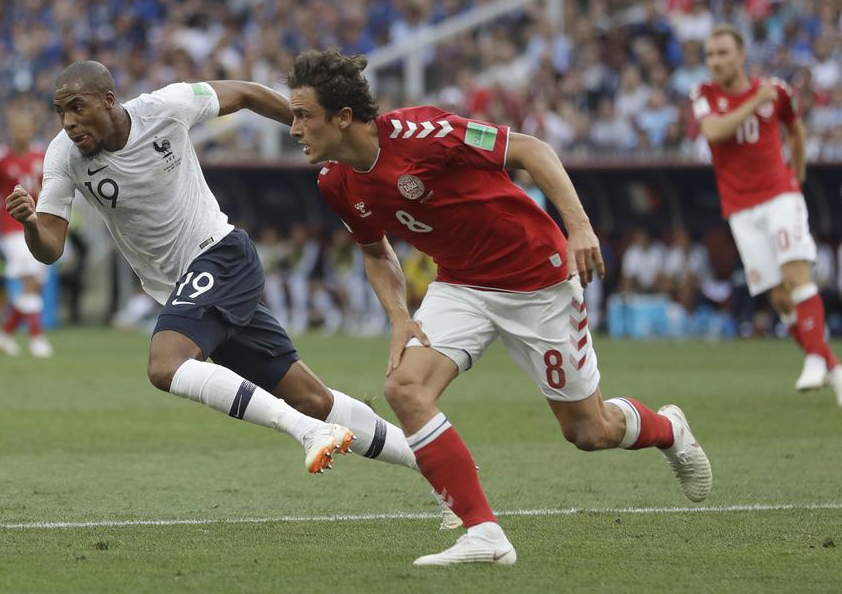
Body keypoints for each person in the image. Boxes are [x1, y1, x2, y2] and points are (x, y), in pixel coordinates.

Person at [283, 49, 711, 566]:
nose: (293, 128)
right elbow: (376, 253)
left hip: (537, 280)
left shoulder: (426, 133)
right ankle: (483, 533)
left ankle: (669, 429)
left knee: (588, 431)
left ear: (343, 117)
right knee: (404, 387)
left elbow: (532, 150)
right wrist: (400, 316)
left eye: (303, 115)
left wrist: (578, 226)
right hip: (461, 285)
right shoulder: (336, 183)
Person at [5, 61, 454, 492]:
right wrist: (30, 224)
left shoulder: (165, 106)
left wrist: (316, 134)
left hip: (220, 256)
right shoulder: (63, 156)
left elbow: (247, 94)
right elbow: (51, 248)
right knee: (315, 399)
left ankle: (306, 433)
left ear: (108, 100)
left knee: (165, 365)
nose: (68, 121)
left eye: (77, 107)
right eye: (60, 112)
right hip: (186, 288)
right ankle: (441, 468)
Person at [691, 25, 841, 404]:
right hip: (740, 210)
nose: (716, 61)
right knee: (778, 297)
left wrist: (799, 176)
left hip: (778, 196)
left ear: (741, 56)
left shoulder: (777, 91)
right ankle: (834, 368)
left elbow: (796, 130)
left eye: (723, 53)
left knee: (795, 273)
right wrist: (753, 101)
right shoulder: (704, 95)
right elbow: (715, 132)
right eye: (710, 55)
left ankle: (812, 357)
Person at [0, 102, 53, 358]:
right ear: (9, 130)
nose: (20, 133)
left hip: (38, 228)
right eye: (16, 128)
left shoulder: (43, 156)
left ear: (32, 129)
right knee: (31, 282)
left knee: (35, 286)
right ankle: (37, 339)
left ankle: (3, 335)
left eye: (25, 128)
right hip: (11, 228)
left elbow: (50, 192)